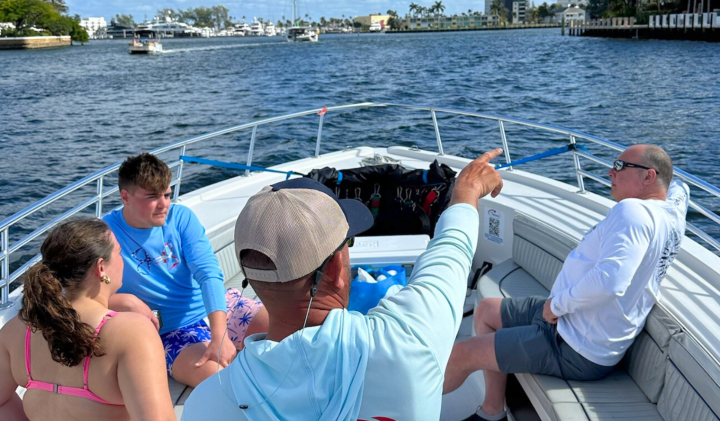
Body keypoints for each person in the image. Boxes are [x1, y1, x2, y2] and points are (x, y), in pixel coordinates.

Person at [181, 148, 505, 421]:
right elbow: (452, 248)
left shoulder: (207, 403)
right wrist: (465, 191)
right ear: (337, 267)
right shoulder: (409, 338)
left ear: (249, 277)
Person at [443, 144, 690, 421]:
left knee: (460, 354)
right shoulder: (672, 213)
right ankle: (493, 412)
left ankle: (405, 407)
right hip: (575, 322)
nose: (610, 172)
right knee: (486, 309)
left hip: (576, 346)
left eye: (620, 166)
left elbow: (610, 282)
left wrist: (556, 307)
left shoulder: (633, 211)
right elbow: (681, 191)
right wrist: (674, 185)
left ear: (649, 177)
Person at [104, 153, 268, 387]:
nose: (164, 204)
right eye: (153, 196)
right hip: (171, 333)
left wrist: (219, 334)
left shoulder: (181, 218)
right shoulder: (105, 234)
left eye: (168, 195)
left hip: (220, 306)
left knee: (293, 331)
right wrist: (127, 303)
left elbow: (208, 273)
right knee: (226, 383)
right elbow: (82, 295)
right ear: (125, 197)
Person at [0, 219, 175, 421]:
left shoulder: (17, 329)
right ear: (101, 268)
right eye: (118, 252)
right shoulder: (132, 333)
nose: (123, 258)